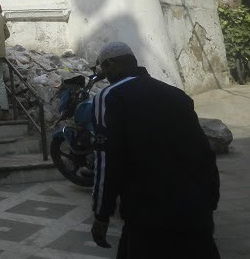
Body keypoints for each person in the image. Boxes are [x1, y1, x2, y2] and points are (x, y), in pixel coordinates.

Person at [90, 42, 220, 258]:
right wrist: (211, 196)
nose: (104, 75)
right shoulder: (176, 95)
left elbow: (107, 161)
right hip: (194, 206)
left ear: (111, 64)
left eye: (104, 68)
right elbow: (203, 151)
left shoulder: (111, 97)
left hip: (147, 210)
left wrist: (101, 214)